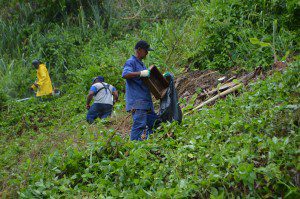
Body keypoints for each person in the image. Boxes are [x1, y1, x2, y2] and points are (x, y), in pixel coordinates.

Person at [122, 40, 158, 141]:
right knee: (139, 125)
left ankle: (148, 145)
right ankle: (134, 149)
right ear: (139, 50)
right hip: (137, 102)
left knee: (154, 123)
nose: (147, 53)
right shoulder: (131, 62)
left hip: (146, 101)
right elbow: (125, 74)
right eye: (146, 51)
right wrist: (140, 73)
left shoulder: (142, 64)